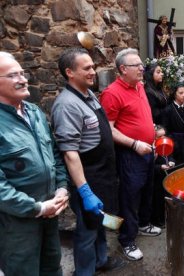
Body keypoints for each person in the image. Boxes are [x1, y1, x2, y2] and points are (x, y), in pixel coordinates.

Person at [52, 48, 124, 275]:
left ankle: (100, 260)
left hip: (102, 174)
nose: (94, 71)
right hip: (87, 177)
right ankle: (84, 271)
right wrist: (84, 191)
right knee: (86, 231)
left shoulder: (88, 95)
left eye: (93, 66)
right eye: (87, 68)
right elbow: (70, 153)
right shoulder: (66, 105)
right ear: (69, 72)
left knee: (99, 223)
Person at [0, 52, 69, 275]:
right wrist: (37, 208)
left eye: (23, 73)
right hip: (16, 225)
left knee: (52, 267)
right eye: (13, 75)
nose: (23, 79)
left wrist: (61, 188)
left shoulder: (35, 112)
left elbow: (55, 156)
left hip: (50, 215)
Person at [100, 48, 161, 262]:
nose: (142, 69)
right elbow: (109, 129)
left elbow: (143, 118)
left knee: (147, 191)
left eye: (141, 65)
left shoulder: (140, 86)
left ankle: (144, 224)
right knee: (129, 197)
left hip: (147, 149)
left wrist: (151, 138)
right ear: (123, 69)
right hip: (129, 154)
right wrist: (135, 144)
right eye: (137, 65)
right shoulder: (112, 93)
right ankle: (127, 240)